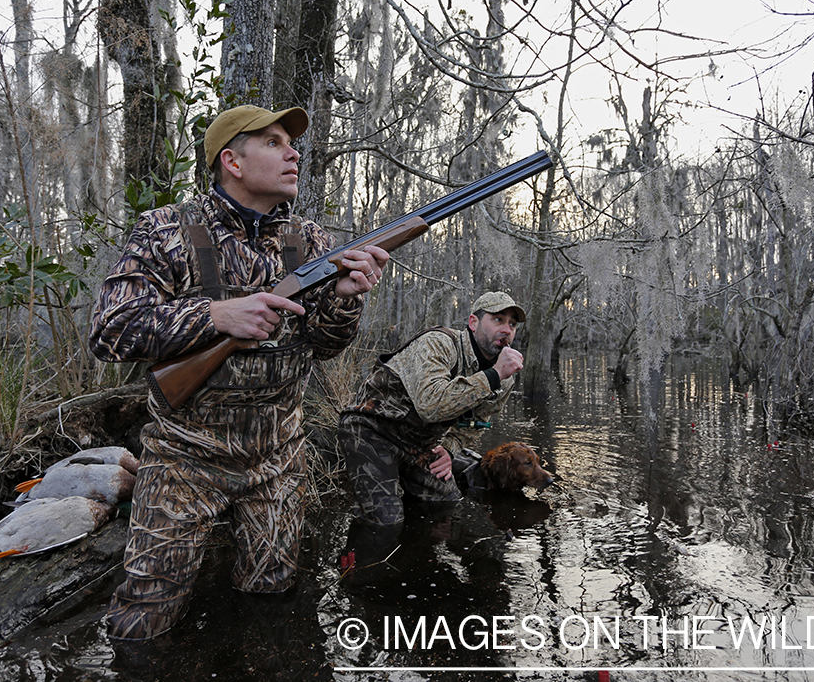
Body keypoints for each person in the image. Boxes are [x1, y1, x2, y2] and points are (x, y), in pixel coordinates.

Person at [89, 104, 389, 640]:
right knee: (141, 623)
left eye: (290, 143)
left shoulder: (311, 242)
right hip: (183, 460)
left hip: (277, 458)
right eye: (273, 142)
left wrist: (345, 299)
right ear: (231, 160)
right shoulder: (165, 231)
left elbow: (323, 346)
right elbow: (110, 331)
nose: (293, 152)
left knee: (271, 601)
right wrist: (215, 315)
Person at [337, 291, 525, 529]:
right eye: (498, 319)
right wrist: (494, 375)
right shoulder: (440, 343)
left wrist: (449, 449)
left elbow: (478, 421)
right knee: (386, 522)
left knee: (447, 504)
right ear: (473, 322)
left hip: (420, 445)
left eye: (513, 324)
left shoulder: (505, 379)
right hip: (372, 432)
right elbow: (431, 405)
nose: (507, 330)